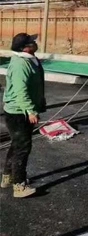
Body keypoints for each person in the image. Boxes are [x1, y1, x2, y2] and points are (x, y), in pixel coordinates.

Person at [2, 33, 46, 198]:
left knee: (16, 144)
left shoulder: (28, 59)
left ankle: (7, 177)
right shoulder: (21, 64)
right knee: (22, 148)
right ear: (24, 47)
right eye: (32, 42)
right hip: (18, 113)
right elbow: (21, 91)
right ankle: (19, 186)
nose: (35, 43)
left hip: (20, 111)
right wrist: (31, 111)